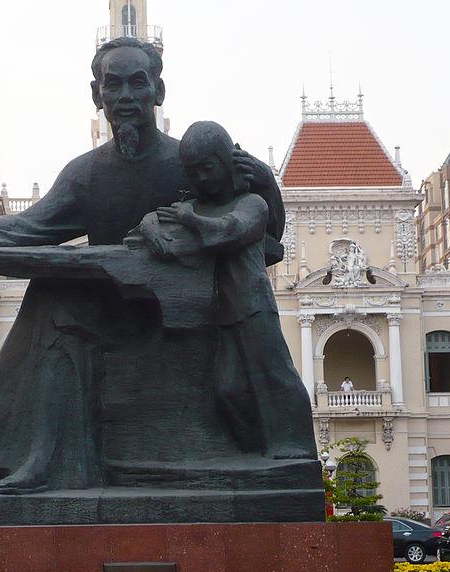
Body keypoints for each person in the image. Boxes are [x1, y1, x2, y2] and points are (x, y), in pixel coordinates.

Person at [0, 37, 285, 492]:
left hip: (183, 314)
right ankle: (44, 460)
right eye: (114, 85)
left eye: (137, 83)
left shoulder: (189, 163)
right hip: (111, 305)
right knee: (55, 292)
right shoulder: (86, 173)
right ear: (97, 95)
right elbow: (31, 225)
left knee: (59, 297)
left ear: (158, 91)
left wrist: (267, 184)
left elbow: (264, 238)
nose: (126, 97)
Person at [135, 121, 315, 459]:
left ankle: (296, 447)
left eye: (208, 167)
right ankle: (254, 450)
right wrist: (150, 228)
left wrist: (189, 220)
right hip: (219, 312)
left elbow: (227, 232)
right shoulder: (198, 206)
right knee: (228, 389)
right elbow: (154, 217)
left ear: (226, 160)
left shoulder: (251, 204)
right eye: (193, 171)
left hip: (253, 306)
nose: (201, 178)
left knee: (276, 375)